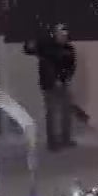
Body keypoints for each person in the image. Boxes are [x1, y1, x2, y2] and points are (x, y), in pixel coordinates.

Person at [23, 23, 78, 151]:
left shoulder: (69, 49)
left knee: (66, 112)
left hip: (62, 84)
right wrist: (30, 43)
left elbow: (71, 66)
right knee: (52, 113)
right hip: (49, 85)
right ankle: (52, 142)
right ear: (55, 34)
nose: (62, 36)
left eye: (64, 34)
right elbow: (28, 49)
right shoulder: (46, 47)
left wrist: (64, 79)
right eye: (60, 34)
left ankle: (65, 139)